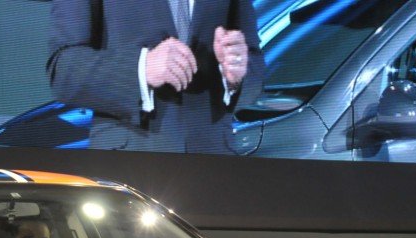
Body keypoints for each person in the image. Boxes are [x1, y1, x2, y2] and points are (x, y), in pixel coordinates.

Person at [47, 0, 264, 154]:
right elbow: (64, 70)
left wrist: (236, 74)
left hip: (214, 162)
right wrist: (142, 68)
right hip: (128, 162)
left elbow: (255, 68)